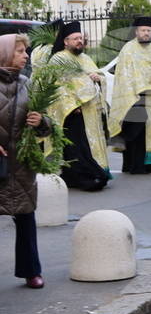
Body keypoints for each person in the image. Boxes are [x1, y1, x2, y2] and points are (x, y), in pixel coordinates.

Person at [0, 34, 52, 288]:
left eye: (25, 51)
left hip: (21, 163)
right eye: (19, 51)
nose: (25, 55)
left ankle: (31, 271)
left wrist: (40, 122)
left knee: (26, 217)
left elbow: (47, 127)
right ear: (5, 53)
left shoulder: (27, 84)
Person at [47, 21, 111, 191]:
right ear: (65, 41)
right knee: (77, 148)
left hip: (91, 111)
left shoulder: (85, 58)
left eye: (80, 38)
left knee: (83, 146)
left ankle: (76, 177)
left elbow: (98, 75)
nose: (79, 41)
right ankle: (93, 175)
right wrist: (70, 106)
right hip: (74, 111)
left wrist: (99, 78)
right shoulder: (59, 58)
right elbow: (57, 85)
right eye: (75, 38)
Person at [108, 16, 151, 174]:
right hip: (135, 98)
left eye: (149, 31)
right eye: (143, 30)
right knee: (137, 134)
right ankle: (136, 166)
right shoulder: (129, 49)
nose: (146, 33)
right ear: (136, 32)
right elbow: (127, 75)